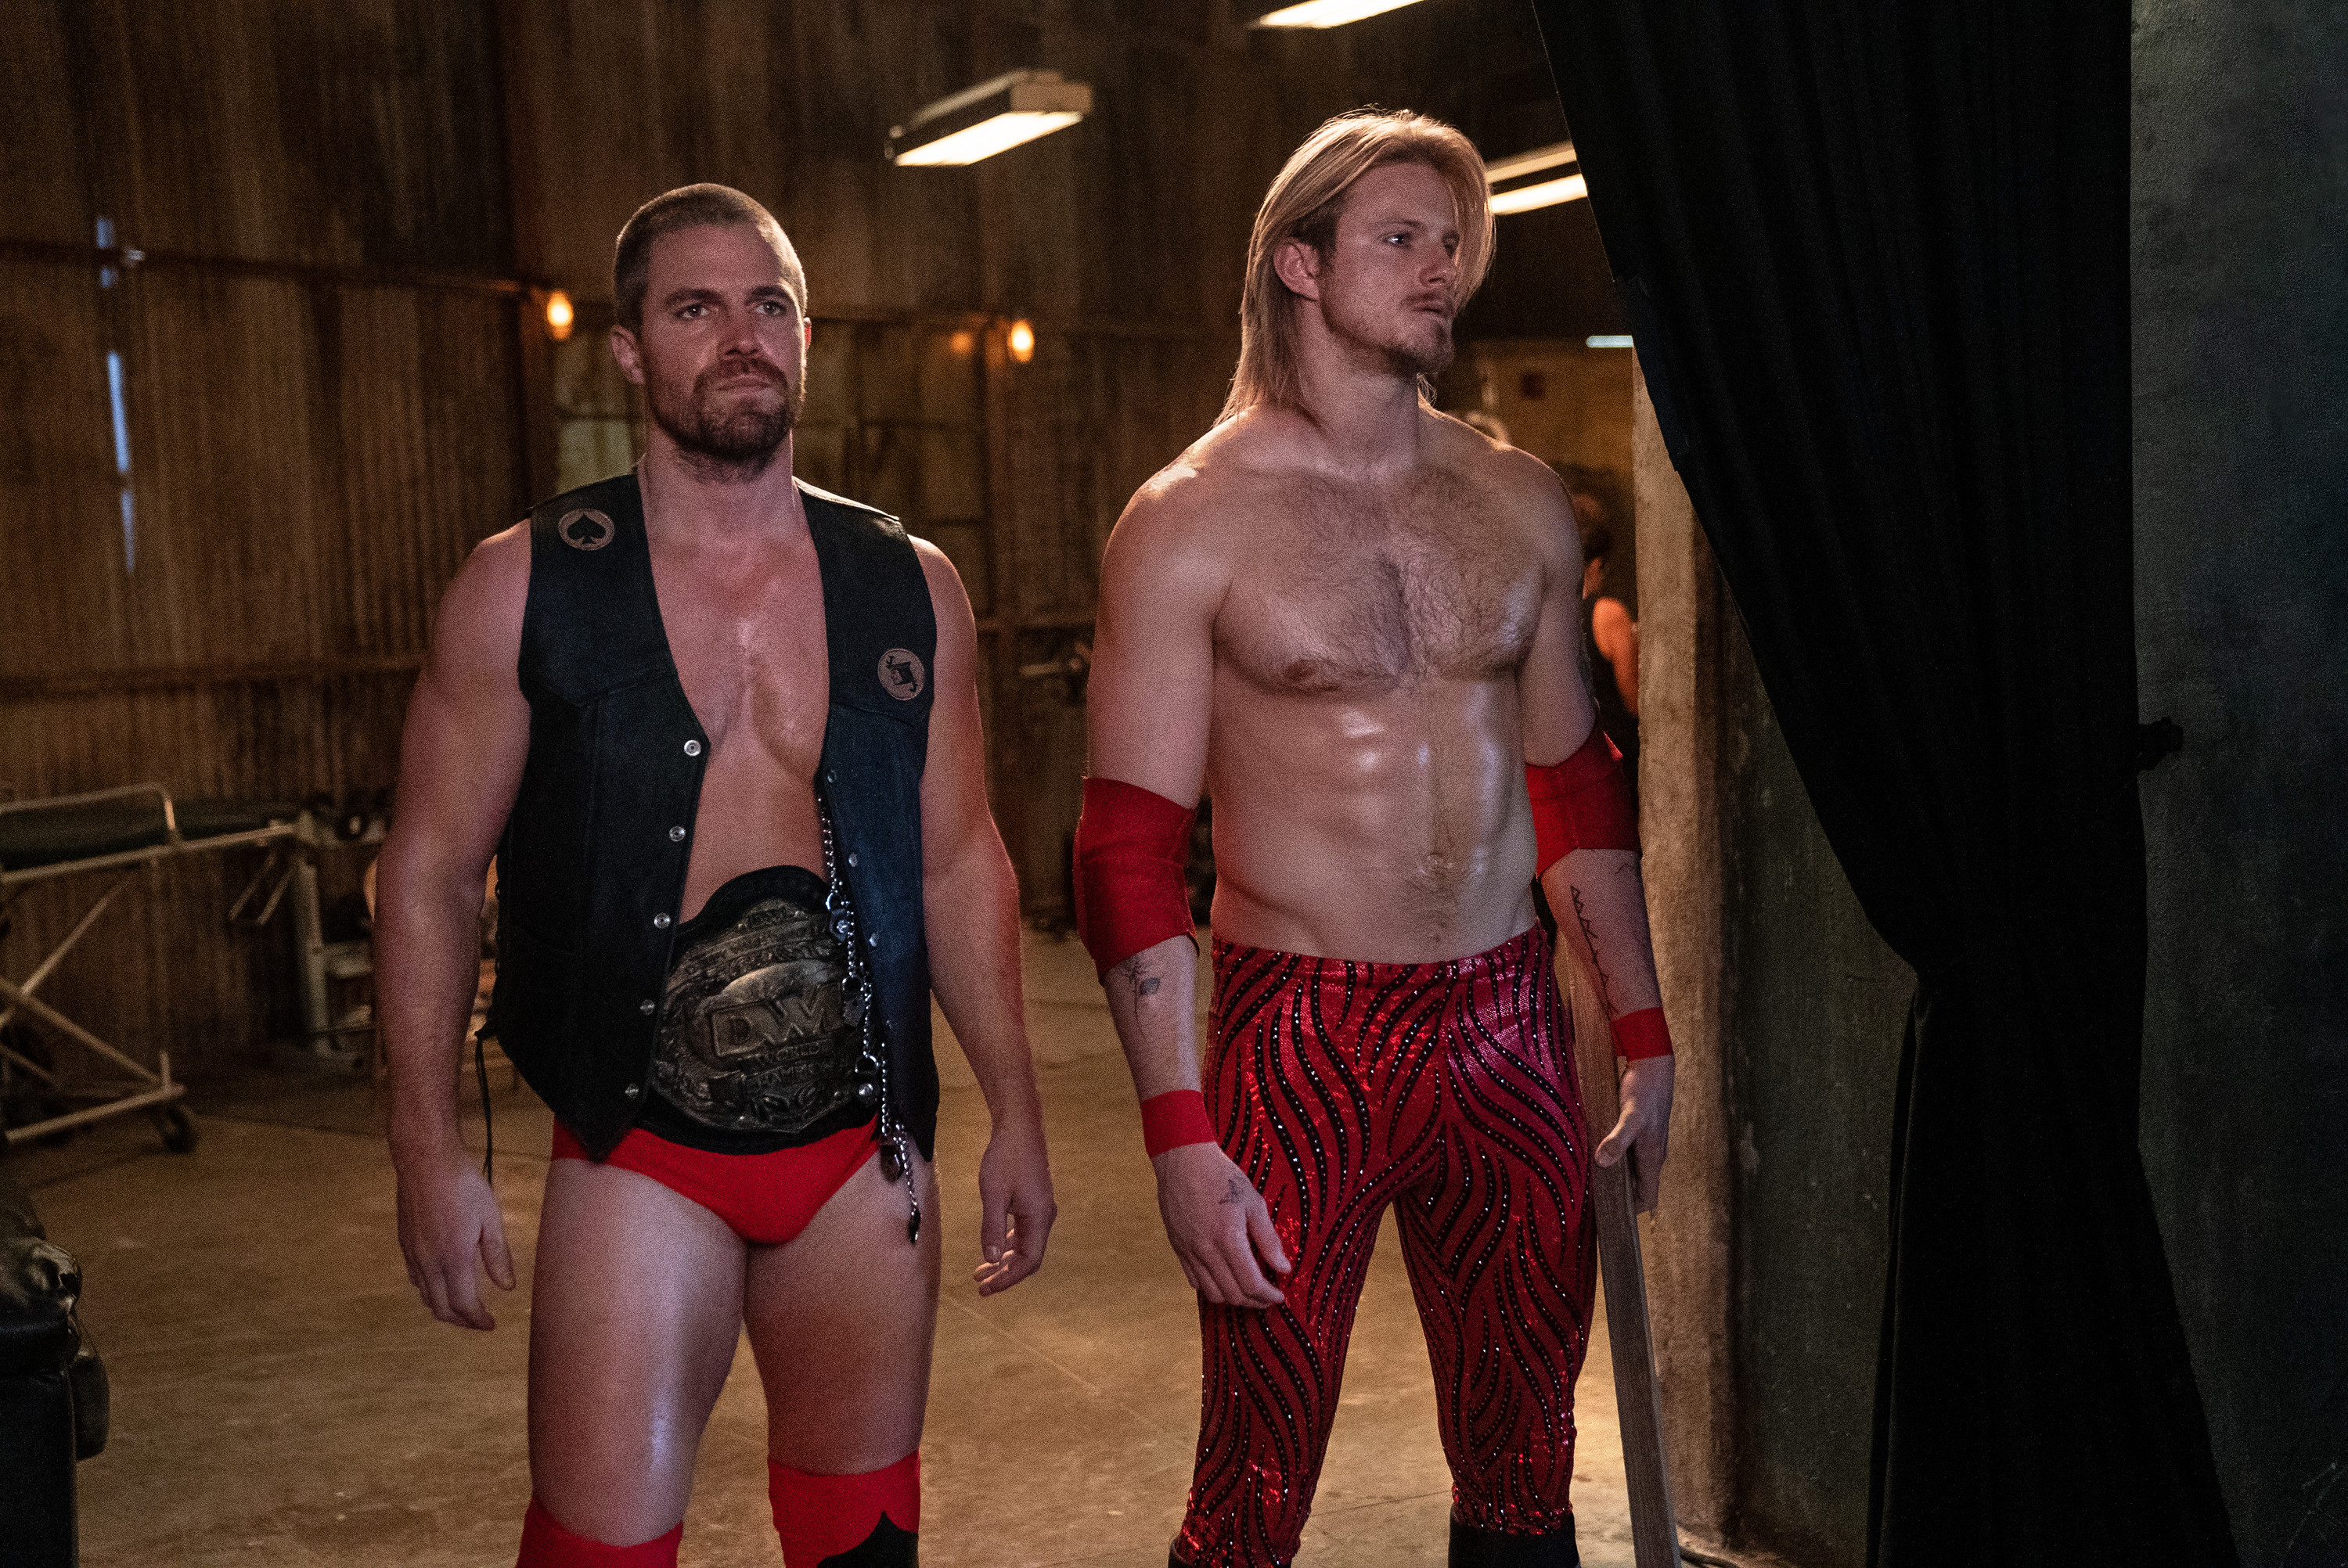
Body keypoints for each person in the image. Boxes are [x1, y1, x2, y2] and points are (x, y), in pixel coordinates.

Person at [377, 184, 1055, 1568]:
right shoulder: (527, 584)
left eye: (770, 306)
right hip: (640, 1145)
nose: (742, 336)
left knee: (863, 1539)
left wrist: (1019, 1110)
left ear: (805, 337)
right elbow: (431, 873)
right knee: (598, 1543)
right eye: (697, 307)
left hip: (861, 1142)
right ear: (628, 349)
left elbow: (956, 852)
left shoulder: (909, 582)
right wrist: (424, 1146)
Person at [1072, 112, 1678, 1567]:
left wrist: (1644, 1037)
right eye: (1402, 237)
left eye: (1452, 238)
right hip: (1304, 1034)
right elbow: (1124, 854)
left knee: (1531, 1455)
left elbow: (1574, 791)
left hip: (1507, 1021)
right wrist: (1178, 1137)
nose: (1443, 268)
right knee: (1256, 1476)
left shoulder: (1518, 498)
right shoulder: (1188, 520)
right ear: (1300, 263)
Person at [1574, 505, 1640, 800]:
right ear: (1597, 565)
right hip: (1614, 756)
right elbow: (1633, 698)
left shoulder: (1549, 617)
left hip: (1573, 757)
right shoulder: (1608, 613)